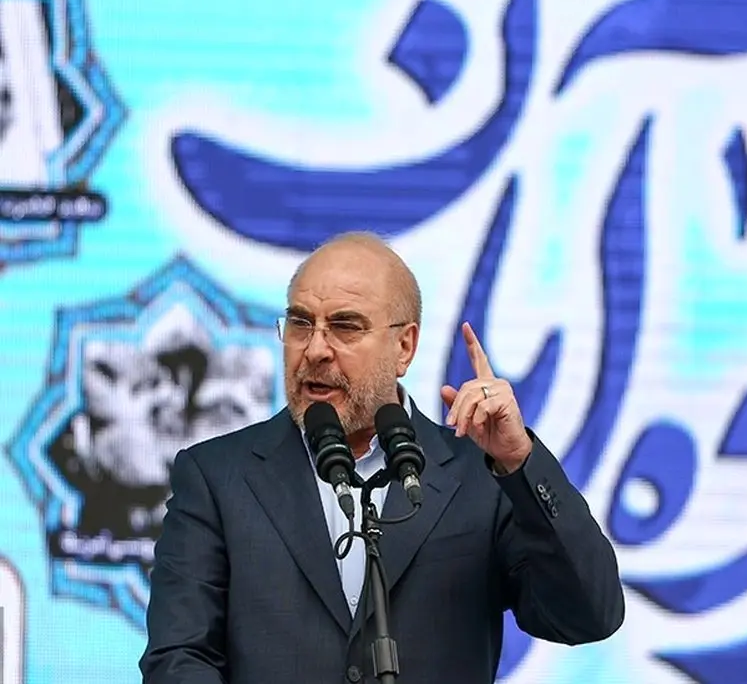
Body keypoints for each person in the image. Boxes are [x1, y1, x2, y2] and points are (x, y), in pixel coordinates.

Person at [139, 232, 625, 684]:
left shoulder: (480, 476)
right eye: (301, 324)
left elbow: (588, 615)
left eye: (345, 327)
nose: (315, 350)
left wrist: (518, 460)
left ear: (404, 347)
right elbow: (179, 658)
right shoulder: (218, 477)